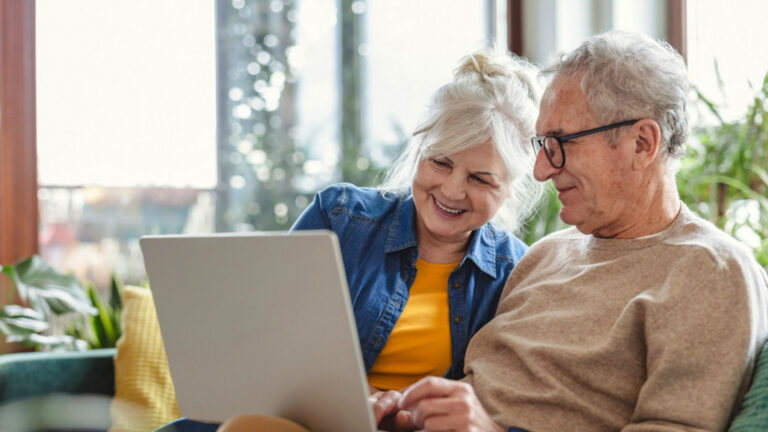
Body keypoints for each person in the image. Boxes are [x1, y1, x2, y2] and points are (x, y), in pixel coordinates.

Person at [372, 30, 768, 432]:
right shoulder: (544, 255)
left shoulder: (710, 272)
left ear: (642, 143)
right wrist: (405, 410)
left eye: (560, 143)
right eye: (541, 144)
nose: (541, 170)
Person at [156, 49, 544, 432]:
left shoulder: (516, 273)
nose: (452, 190)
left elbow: (509, 408)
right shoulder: (339, 218)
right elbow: (269, 352)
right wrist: (361, 398)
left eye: (480, 179)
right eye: (440, 162)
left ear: (509, 187)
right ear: (418, 150)